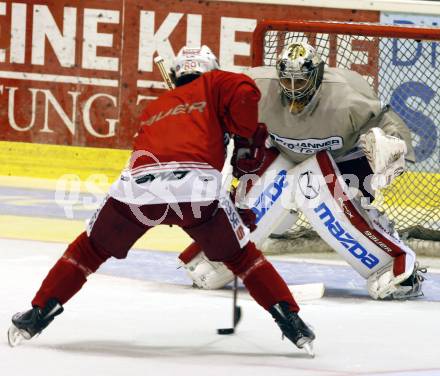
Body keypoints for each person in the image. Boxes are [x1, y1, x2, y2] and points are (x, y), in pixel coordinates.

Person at [8, 45, 315, 354]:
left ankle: (38, 314)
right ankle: (291, 320)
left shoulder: (156, 106)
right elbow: (246, 91)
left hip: (138, 190)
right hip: (196, 192)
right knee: (242, 258)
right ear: (212, 68)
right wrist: (243, 129)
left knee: (88, 250)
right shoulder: (217, 83)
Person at [178, 42, 426, 300]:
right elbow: (216, 105)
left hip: (344, 162)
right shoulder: (257, 86)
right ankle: (219, 256)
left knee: (318, 189)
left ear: (317, 75)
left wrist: (397, 149)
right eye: (288, 80)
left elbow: (386, 121)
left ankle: (396, 267)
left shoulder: (348, 95)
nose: (294, 89)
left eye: (302, 81)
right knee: (255, 200)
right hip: (283, 155)